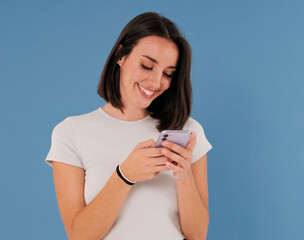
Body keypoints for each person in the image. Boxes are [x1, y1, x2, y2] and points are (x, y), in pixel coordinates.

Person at [45, 12, 212, 240]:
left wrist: (184, 178)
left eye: (168, 73)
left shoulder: (187, 131)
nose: (155, 82)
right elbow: (79, 235)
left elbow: (198, 235)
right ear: (120, 55)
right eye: (146, 65)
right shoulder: (71, 132)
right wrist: (125, 176)